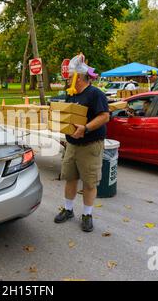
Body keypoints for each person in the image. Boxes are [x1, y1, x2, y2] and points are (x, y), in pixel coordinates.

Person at [54, 54, 110, 232]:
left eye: (71, 77)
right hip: (71, 146)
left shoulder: (95, 94)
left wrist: (85, 128)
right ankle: (68, 210)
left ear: (79, 77)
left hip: (90, 146)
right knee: (70, 178)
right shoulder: (71, 94)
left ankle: (87, 214)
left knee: (89, 183)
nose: (68, 79)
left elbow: (104, 116)